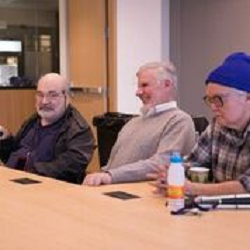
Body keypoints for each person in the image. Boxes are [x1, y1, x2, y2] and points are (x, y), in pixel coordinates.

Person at [83, 61, 196, 186]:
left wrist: (110, 176)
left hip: (145, 198)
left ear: (167, 85)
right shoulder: (133, 123)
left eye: (144, 85)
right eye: (138, 86)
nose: (137, 92)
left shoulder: (179, 121)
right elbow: (111, 166)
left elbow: (161, 163)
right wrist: (100, 176)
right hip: (113, 192)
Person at [153, 52, 250, 196]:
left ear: (248, 98)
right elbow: (194, 163)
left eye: (218, 99)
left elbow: (247, 186)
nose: (213, 107)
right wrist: (173, 173)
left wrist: (191, 188)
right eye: (210, 100)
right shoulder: (217, 126)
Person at [0, 73, 95, 184]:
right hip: (14, 181)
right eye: (40, 95)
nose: (44, 101)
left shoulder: (79, 130)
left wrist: (28, 172)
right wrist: (5, 140)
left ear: (67, 97)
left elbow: (71, 167)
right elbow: (15, 155)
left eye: (52, 95)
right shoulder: (33, 121)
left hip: (46, 190)